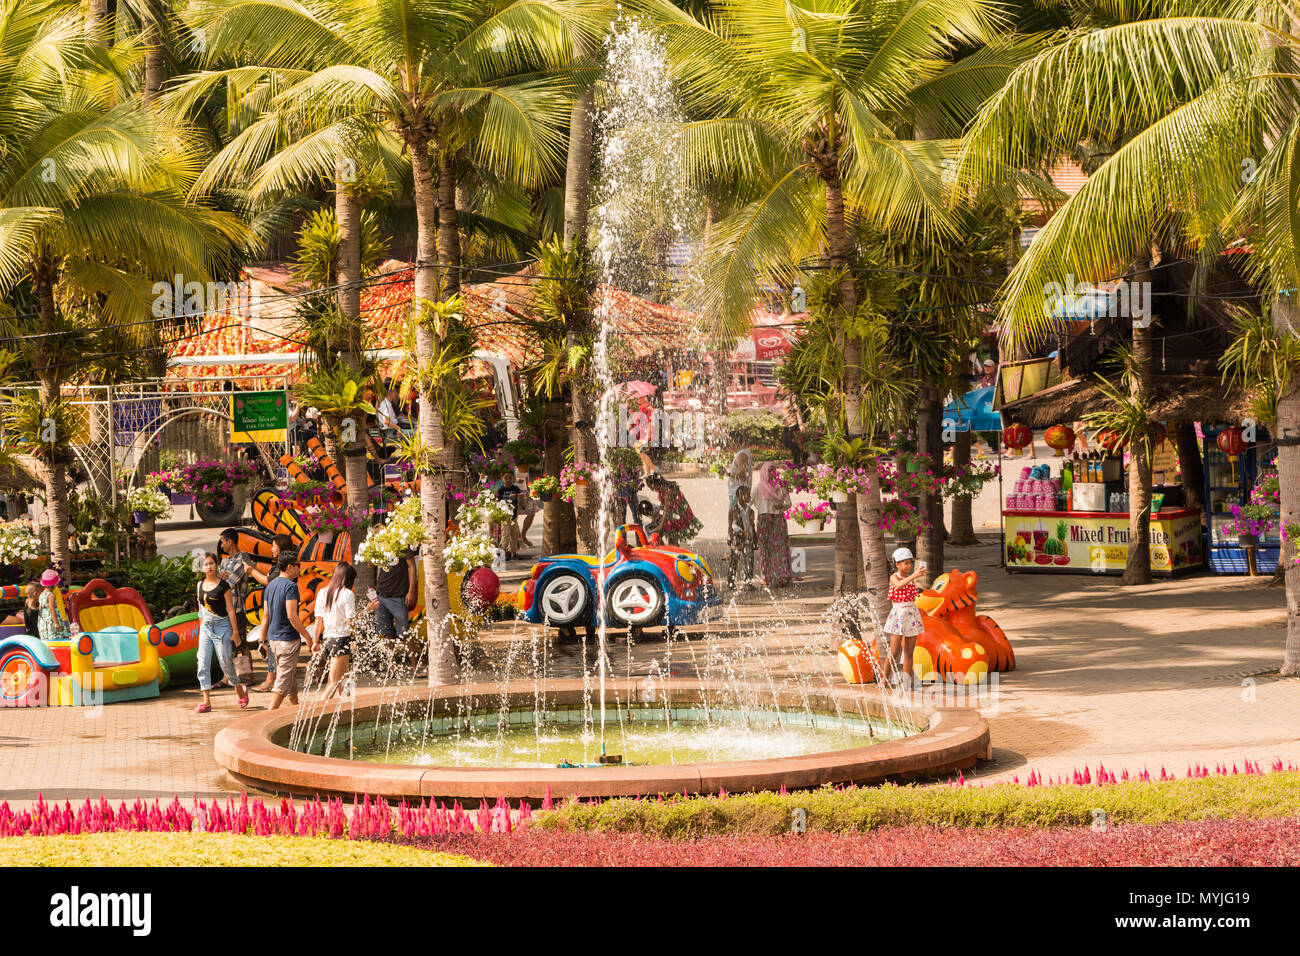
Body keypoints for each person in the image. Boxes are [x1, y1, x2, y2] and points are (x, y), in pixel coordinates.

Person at [311, 562, 378, 700]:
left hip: (328, 640)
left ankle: (347, 704)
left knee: (345, 676)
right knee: (333, 682)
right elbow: (351, 621)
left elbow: (318, 620)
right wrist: (368, 609)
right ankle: (317, 713)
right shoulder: (347, 594)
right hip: (341, 640)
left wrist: (315, 641)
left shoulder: (322, 592)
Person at [195, 552, 249, 713]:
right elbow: (200, 610)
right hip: (206, 627)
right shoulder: (199, 585)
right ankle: (206, 701)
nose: (208, 567)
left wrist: (235, 632)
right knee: (202, 662)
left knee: (225, 662)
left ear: (216, 565)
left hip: (222, 627)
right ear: (202, 568)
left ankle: (239, 688)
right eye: (205, 564)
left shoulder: (223, 586)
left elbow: (231, 610)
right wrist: (201, 628)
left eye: (211, 563)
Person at [263, 553, 315, 710]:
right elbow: (292, 616)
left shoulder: (270, 585)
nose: (300, 569)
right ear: (290, 567)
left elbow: (265, 616)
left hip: (274, 639)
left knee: (288, 674)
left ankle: (295, 708)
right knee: (282, 680)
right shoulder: (291, 587)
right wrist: (307, 637)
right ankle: (267, 715)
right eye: (298, 565)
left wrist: (261, 640)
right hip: (287, 639)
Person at [248, 533, 295, 692]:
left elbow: (268, 581)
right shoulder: (278, 566)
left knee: (273, 644)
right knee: (272, 644)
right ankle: (280, 682)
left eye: (274, 545)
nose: (271, 548)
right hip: (273, 609)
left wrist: (251, 571)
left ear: (281, 547)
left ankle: (271, 681)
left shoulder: (283, 570)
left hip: (279, 611)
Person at [884, 547, 927, 690]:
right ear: (897, 564)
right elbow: (898, 585)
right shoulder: (894, 577)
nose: (909, 566)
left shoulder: (911, 579)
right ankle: (884, 679)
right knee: (895, 651)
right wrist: (915, 575)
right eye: (905, 563)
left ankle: (907, 683)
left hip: (911, 613)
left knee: (909, 651)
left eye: (910, 563)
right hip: (899, 614)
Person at [375, 535, 419, 669]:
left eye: (378, 527)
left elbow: (411, 566)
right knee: (386, 632)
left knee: (404, 633)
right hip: (381, 595)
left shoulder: (402, 543)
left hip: (398, 596)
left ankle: (414, 666)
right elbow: (376, 566)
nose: (377, 531)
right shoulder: (378, 545)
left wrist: (411, 591)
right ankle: (391, 666)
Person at [217, 530, 254, 685]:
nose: (221, 545)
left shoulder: (243, 558)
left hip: (237, 608)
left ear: (230, 541)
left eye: (223, 541)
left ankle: (247, 676)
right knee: (229, 643)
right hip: (225, 609)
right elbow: (220, 582)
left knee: (241, 642)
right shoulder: (225, 562)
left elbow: (229, 583)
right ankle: (230, 677)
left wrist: (221, 579)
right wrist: (221, 578)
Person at [753, 461, 793, 588]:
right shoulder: (758, 487)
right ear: (764, 471)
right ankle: (767, 576)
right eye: (769, 470)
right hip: (764, 520)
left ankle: (782, 575)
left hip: (778, 520)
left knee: (780, 548)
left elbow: (789, 502)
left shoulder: (780, 487)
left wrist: (782, 505)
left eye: (773, 470)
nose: (771, 473)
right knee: (765, 548)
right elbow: (748, 501)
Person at [643, 471, 702, 545]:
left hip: (677, 515)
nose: (651, 489)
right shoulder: (661, 489)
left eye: (650, 487)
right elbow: (662, 504)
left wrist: (661, 525)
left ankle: (672, 551)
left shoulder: (668, 491)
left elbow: (666, 510)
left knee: (672, 538)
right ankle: (667, 550)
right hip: (671, 514)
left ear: (655, 484)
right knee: (665, 536)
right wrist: (658, 516)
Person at [727, 485, 757, 590]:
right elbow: (734, 526)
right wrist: (743, 532)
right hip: (737, 539)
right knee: (734, 560)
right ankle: (731, 581)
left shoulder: (750, 510)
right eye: (747, 494)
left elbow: (751, 525)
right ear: (740, 496)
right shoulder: (734, 509)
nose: (749, 496)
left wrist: (754, 536)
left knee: (749, 560)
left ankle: (748, 582)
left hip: (748, 539)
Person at [36, 569, 70, 643]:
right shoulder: (51, 595)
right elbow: (52, 609)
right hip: (52, 621)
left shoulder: (41, 594)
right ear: (54, 584)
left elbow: (40, 608)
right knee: (56, 639)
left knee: (47, 640)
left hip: (44, 621)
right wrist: (56, 623)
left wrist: (40, 622)